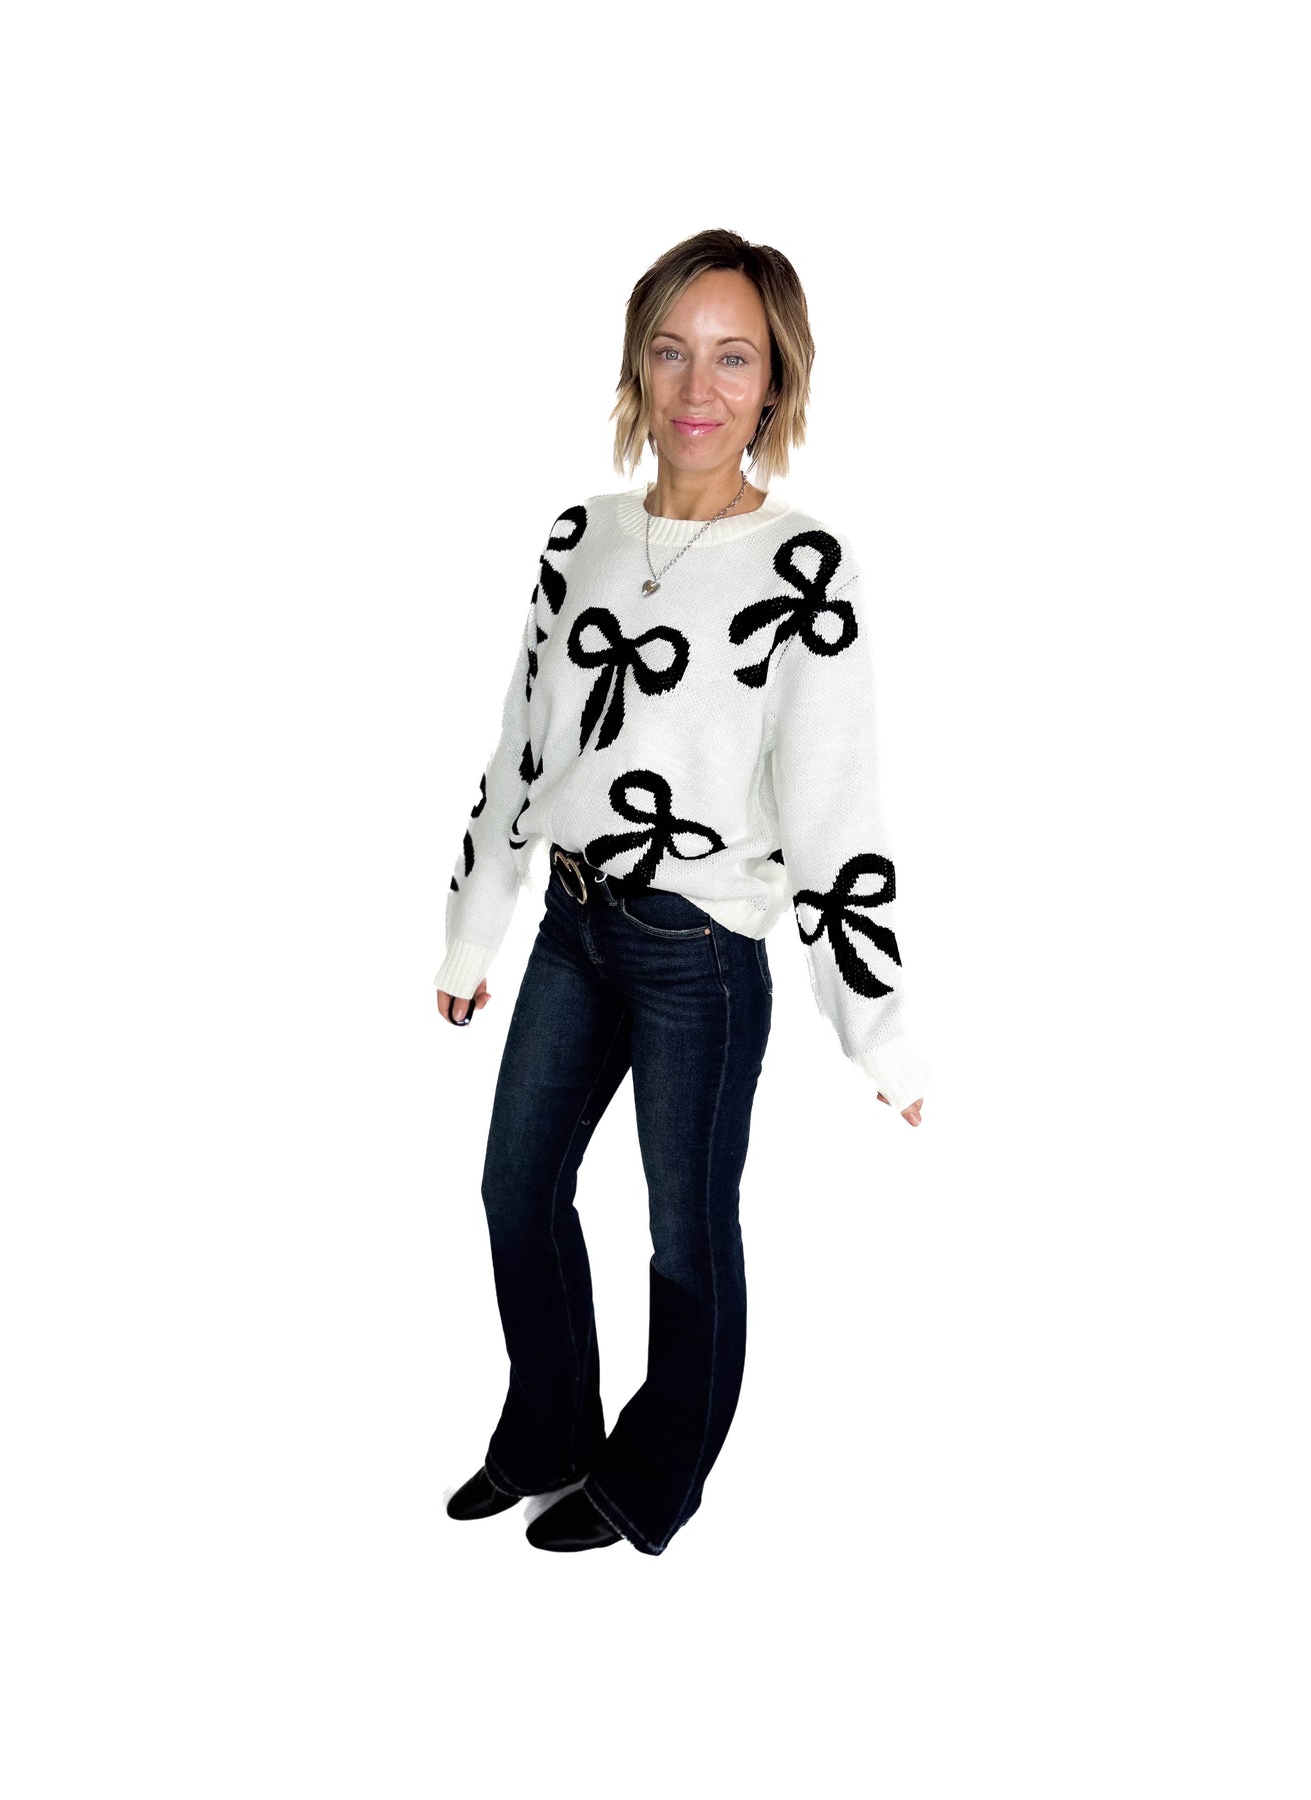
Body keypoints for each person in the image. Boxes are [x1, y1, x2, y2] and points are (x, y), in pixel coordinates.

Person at [434, 228, 932, 1556]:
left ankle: (654, 1477)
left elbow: (835, 813)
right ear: (636, 366)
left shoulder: (802, 568)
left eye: (732, 358)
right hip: (570, 925)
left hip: (696, 948)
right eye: (670, 351)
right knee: (515, 1188)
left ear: (775, 384)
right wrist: (473, 929)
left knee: (684, 1234)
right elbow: (523, 747)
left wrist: (879, 1033)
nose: (696, 387)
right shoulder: (580, 538)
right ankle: (548, 1431)